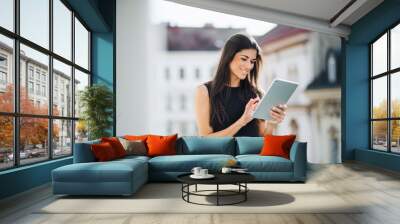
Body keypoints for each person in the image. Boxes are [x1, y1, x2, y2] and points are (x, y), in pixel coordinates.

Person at [195, 33, 287, 137]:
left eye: (252, 61)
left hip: (251, 153)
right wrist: (242, 121)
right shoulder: (204, 91)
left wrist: (272, 123)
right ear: (229, 57)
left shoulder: (257, 94)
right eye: (244, 59)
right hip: (221, 154)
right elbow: (205, 139)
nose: (249, 66)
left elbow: (262, 140)